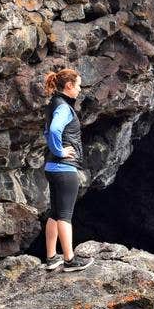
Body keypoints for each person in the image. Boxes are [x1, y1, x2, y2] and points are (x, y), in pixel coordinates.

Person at [42, 67, 92, 272]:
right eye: (78, 85)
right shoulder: (64, 107)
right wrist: (60, 151)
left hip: (52, 168)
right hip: (64, 168)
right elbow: (54, 130)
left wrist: (55, 150)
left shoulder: (53, 104)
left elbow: (47, 131)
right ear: (69, 85)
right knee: (64, 215)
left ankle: (52, 257)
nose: (80, 90)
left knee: (54, 213)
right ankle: (70, 260)